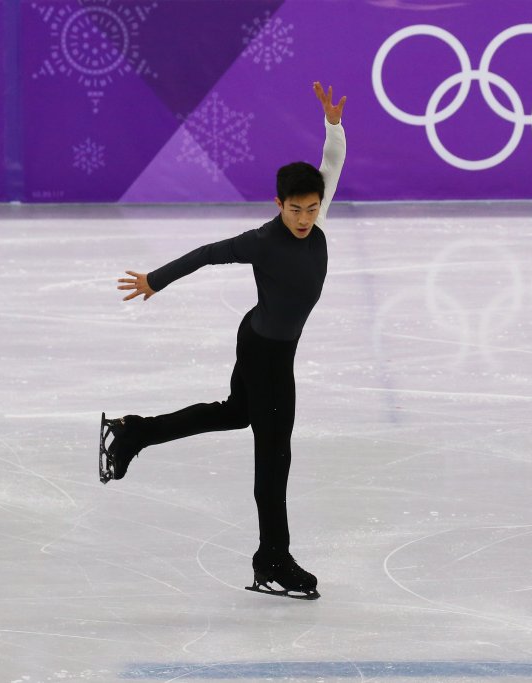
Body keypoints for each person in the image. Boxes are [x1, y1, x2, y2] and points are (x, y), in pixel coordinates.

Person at [100, 81, 346, 600]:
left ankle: (133, 433)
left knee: (235, 414)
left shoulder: (315, 216)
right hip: (265, 354)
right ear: (278, 204)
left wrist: (332, 125)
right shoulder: (263, 241)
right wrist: (155, 279)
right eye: (295, 209)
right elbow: (208, 252)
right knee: (274, 456)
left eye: (312, 209)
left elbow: (332, 164)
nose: (305, 219)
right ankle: (272, 558)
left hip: (266, 341)